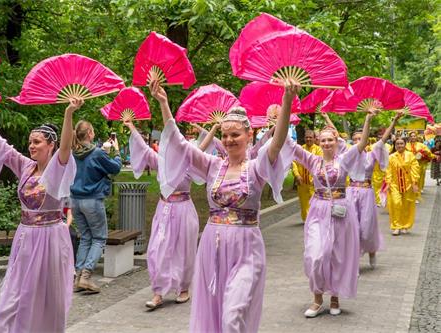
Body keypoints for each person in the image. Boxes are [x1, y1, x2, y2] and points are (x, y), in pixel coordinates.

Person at [151, 78, 300, 332]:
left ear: (248, 135)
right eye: (225, 135)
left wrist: (286, 102)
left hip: (247, 248)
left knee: (233, 315)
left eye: (235, 134)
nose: (229, 140)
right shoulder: (212, 166)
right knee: (215, 310)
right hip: (212, 246)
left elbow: (277, 142)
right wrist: (164, 103)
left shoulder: (257, 168)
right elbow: (179, 143)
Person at [0, 98, 81, 333]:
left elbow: (66, 148)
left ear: (50, 145)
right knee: (12, 300)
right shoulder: (25, 166)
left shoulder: (58, 169)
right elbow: (1, 145)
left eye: (37, 142)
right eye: (30, 141)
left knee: (45, 298)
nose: (31, 146)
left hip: (50, 240)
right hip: (26, 239)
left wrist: (69, 113)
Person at [290, 110, 375, 318]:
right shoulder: (312, 160)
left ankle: (334, 296)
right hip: (318, 211)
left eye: (330, 139)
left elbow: (362, 143)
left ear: (336, 141)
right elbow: (289, 145)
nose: (327, 143)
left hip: (340, 211)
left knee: (336, 255)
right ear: (319, 142)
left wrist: (368, 118)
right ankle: (317, 298)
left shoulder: (345, 159)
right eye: (323, 140)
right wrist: (282, 116)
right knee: (315, 254)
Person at [123, 119, 200, 310]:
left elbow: (203, 150)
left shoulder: (189, 164)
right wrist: (131, 126)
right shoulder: (161, 162)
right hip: (164, 210)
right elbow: (144, 148)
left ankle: (183, 288)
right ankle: (158, 291)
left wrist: (211, 128)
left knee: (183, 250)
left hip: (183, 210)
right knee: (157, 249)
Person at [70, 120, 122, 293]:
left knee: (85, 237)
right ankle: (86, 276)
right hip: (92, 200)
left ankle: (78, 277)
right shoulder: (97, 153)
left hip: (75, 200)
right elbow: (115, 168)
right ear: (90, 133)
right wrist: (117, 152)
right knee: (99, 238)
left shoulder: (72, 152)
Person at [347, 113, 403, 268]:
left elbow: (383, 139)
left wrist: (394, 121)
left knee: (366, 226)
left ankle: (372, 250)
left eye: (361, 138)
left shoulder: (372, 154)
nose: (358, 141)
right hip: (351, 193)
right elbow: (335, 137)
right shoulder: (348, 155)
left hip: (366, 193)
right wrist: (326, 119)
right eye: (356, 139)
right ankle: (354, 260)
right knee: (352, 227)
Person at [386, 136, 420, 235]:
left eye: (401, 143)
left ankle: (405, 225)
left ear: (405, 145)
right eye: (397, 144)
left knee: (406, 205)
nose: (399, 145)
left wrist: (415, 183)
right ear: (395, 145)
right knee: (396, 203)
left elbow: (415, 169)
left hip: (408, 185)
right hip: (394, 185)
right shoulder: (391, 157)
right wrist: (388, 183)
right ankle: (396, 226)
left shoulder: (410, 156)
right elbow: (388, 171)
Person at [292, 130, 323, 222]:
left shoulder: (319, 149)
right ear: (304, 138)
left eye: (310, 137)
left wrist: (315, 177)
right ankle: (306, 221)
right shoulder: (300, 149)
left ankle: (316, 219)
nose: (308, 139)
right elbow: (294, 163)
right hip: (302, 182)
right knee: (304, 203)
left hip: (314, 182)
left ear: (314, 138)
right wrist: (297, 175)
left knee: (315, 202)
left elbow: (320, 164)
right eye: (307, 137)